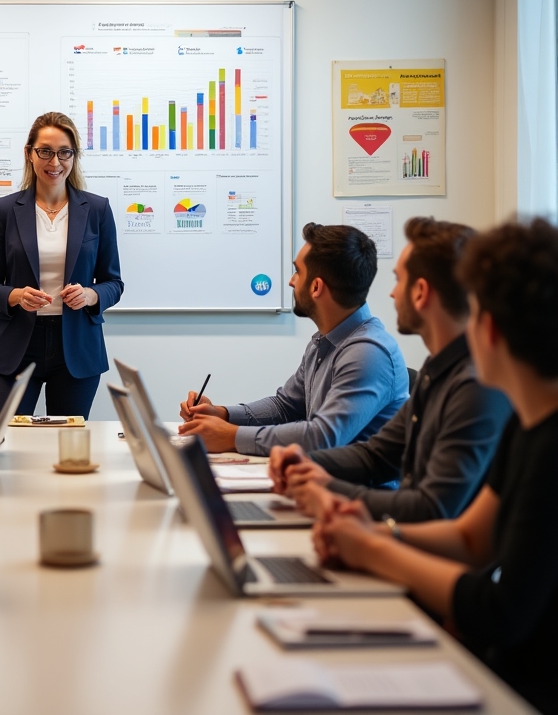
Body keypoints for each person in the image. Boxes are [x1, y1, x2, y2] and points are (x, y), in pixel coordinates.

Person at [312, 219, 558, 715]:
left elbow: (500, 611)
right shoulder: (527, 428)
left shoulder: (546, 445)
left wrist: (373, 549)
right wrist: (371, 534)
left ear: (487, 325)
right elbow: (471, 538)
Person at [267, 217, 510, 520]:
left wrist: (328, 488)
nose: (392, 293)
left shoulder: (475, 387)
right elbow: (376, 455)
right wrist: (305, 462)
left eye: (398, 280)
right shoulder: (439, 370)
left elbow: (432, 508)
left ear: (420, 292)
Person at [179, 222, 408, 455]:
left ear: (316, 287)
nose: (291, 280)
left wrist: (231, 436)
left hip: (355, 490)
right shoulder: (324, 341)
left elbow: (323, 436)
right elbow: (286, 407)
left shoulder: (368, 353)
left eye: (298, 271)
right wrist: (223, 414)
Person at [0, 111, 123, 419]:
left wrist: (90, 295)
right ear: (29, 154)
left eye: (64, 152)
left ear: (74, 156)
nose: (54, 162)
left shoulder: (97, 209)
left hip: (77, 347)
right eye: (45, 151)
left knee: (66, 446)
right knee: (7, 443)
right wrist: (16, 296)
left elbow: (114, 283)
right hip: (19, 345)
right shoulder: (6, 210)